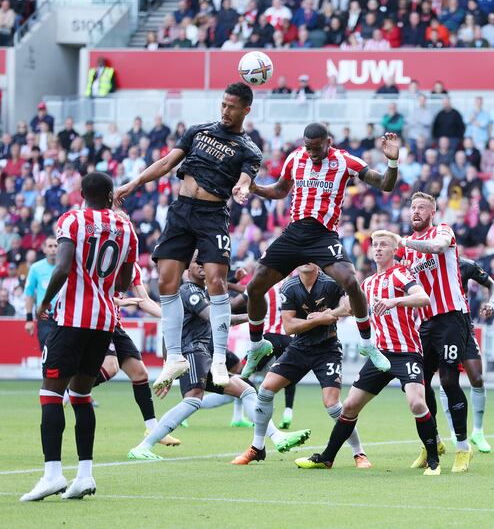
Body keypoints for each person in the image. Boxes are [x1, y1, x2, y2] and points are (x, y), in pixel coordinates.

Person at [115, 83, 262, 392]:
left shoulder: (249, 149)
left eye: (232, 106)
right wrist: (133, 184)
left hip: (212, 215)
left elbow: (247, 179)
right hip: (182, 210)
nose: (225, 110)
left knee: (216, 281)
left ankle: (220, 359)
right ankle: (175, 359)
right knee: (167, 281)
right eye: (223, 104)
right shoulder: (198, 131)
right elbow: (167, 162)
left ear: (245, 110)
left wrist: (243, 188)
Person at [245, 123, 400, 377]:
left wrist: (392, 162)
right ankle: (256, 346)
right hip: (294, 233)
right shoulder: (295, 157)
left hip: (323, 235)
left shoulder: (345, 161)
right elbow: (281, 190)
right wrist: (255, 188)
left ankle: (367, 343)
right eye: (308, 147)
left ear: (328, 142)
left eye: (316, 148)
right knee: (254, 287)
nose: (312, 152)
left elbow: (385, 184)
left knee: (350, 281)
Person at [21, 173, 138, 501]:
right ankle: (84, 475)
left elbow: (62, 266)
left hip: (71, 318)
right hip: (103, 321)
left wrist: (44, 303)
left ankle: (52, 474)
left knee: (50, 393)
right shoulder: (126, 227)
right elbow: (125, 279)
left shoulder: (72, 220)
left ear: (81, 193)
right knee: (81, 395)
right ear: (111, 194)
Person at [127, 254, 310, 460]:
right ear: (187, 268)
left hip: (204, 354)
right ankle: (145, 445)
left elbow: (170, 326)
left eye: (205, 262)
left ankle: (276, 436)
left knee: (246, 389)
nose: (203, 265)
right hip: (192, 354)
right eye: (197, 262)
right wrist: (254, 319)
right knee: (193, 400)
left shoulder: (201, 291)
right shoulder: (189, 291)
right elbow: (214, 319)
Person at [295, 231, 441, 474]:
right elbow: (350, 309)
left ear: (395, 250)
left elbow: (423, 298)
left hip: (406, 352)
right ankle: (327, 457)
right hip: (380, 354)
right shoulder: (368, 283)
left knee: (417, 403)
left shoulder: (401, 273)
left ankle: (434, 460)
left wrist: (396, 301)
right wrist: (324, 315)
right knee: (350, 405)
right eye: (375, 245)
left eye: (384, 245)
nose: (378, 249)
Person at [230, 264, 370, 468]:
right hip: (299, 347)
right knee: (266, 389)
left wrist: (324, 315)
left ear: (316, 261)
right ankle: (257, 447)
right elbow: (289, 326)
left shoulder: (331, 283)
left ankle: (359, 453)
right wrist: (322, 318)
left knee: (332, 404)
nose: (306, 262)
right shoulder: (290, 287)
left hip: (327, 349)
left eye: (310, 258)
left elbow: (349, 308)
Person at [397, 192, 474, 472]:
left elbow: (439, 247)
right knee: (418, 383)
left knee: (450, 382)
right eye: (412, 207)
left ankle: (463, 448)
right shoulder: (407, 250)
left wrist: (404, 241)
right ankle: (433, 442)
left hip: (452, 317)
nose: (415, 212)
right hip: (425, 322)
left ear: (432, 212)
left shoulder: (442, 231)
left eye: (421, 208)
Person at [93, 262, 181, 447]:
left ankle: (153, 429)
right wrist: (118, 302)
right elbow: (91, 292)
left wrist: (170, 317)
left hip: (115, 324)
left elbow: (145, 301)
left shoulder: (133, 267)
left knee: (140, 373)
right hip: (97, 320)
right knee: (110, 368)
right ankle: (70, 392)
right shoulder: (103, 258)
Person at [438, 256, 494, 453]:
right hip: (440, 330)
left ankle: (478, 432)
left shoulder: (466, 265)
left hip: (464, 328)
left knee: (477, 378)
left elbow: (492, 285)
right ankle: (455, 433)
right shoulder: (426, 265)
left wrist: (491, 302)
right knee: (447, 379)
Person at [239, 279, 297, 429]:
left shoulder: (263, 284)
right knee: (288, 377)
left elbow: (245, 298)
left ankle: (256, 407)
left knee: (243, 371)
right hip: (287, 338)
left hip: (268, 338)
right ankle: (288, 412)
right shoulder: (291, 285)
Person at [24, 236, 58, 352]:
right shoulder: (35, 268)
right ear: (44, 249)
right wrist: (29, 320)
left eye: (56, 246)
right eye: (50, 246)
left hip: (64, 316)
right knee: (47, 351)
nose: (53, 249)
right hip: (45, 317)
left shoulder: (67, 267)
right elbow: (29, 294)